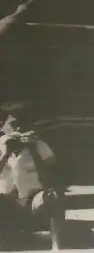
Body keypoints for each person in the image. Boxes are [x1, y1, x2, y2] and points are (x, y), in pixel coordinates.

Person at [0, 101, 65, 247]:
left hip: (33, 203)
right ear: (3, 126)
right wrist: (5, 155)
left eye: (22, 123)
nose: (18, 128)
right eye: (13, 124)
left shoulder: (38, 145)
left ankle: (57, 246)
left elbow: (53, 173)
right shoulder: (0, 146)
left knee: (54, 196)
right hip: (7, 206)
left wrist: (34, 150)